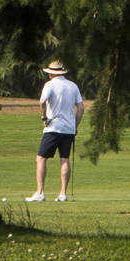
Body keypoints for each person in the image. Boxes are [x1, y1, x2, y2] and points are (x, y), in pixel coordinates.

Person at [29, 60, 88, 203]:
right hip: (68, 129)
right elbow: (80, 109)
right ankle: (62, 194)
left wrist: (44, 117)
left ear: (51, 74)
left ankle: (40, 192)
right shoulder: (73, 86)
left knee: (41, 158)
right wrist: (75, 126)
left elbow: (42, 102)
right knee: (65, 159)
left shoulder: (49, 85)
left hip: (53, 127)